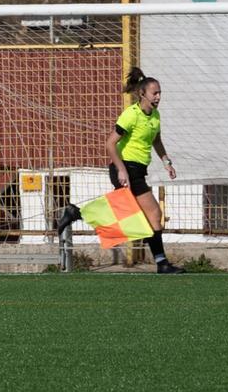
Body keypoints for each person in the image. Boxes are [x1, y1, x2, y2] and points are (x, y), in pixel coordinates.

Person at [55, 67, 185, 274]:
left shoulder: (155, 116)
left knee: (129, 215)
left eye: (160, 92)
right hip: (127, 169)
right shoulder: (130, 115)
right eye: (155, 93)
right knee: (153, 213)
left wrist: (166, 161)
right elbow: (110, 144)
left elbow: (157, 140)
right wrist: (121, 170)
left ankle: (75, 212)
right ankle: (162, 264)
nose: (159, 96)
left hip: (138, 170)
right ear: (143, 94)